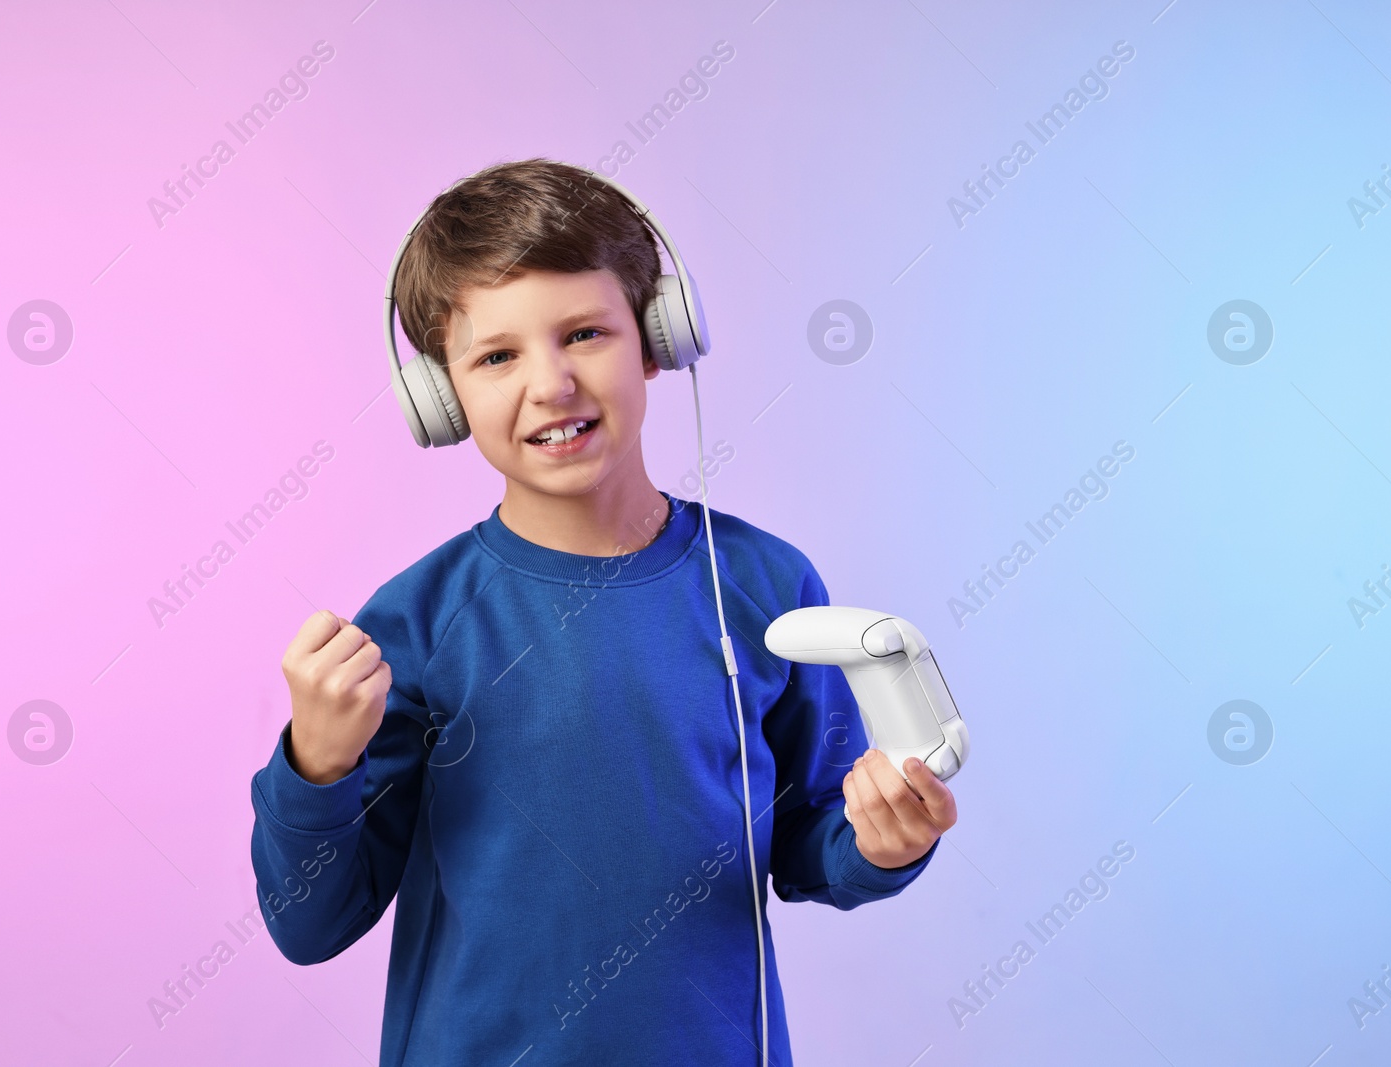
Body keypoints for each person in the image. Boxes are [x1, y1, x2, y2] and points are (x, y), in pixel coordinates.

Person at [248, 158, 958, 1066]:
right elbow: (310, 922)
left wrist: (883, 841)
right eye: (497, 355)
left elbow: (811, 844)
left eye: (584, 333)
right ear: (441, 398)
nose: (550, 384)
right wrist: (317, 758)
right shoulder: (414, 626)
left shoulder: (767, 587)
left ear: (659, 338)